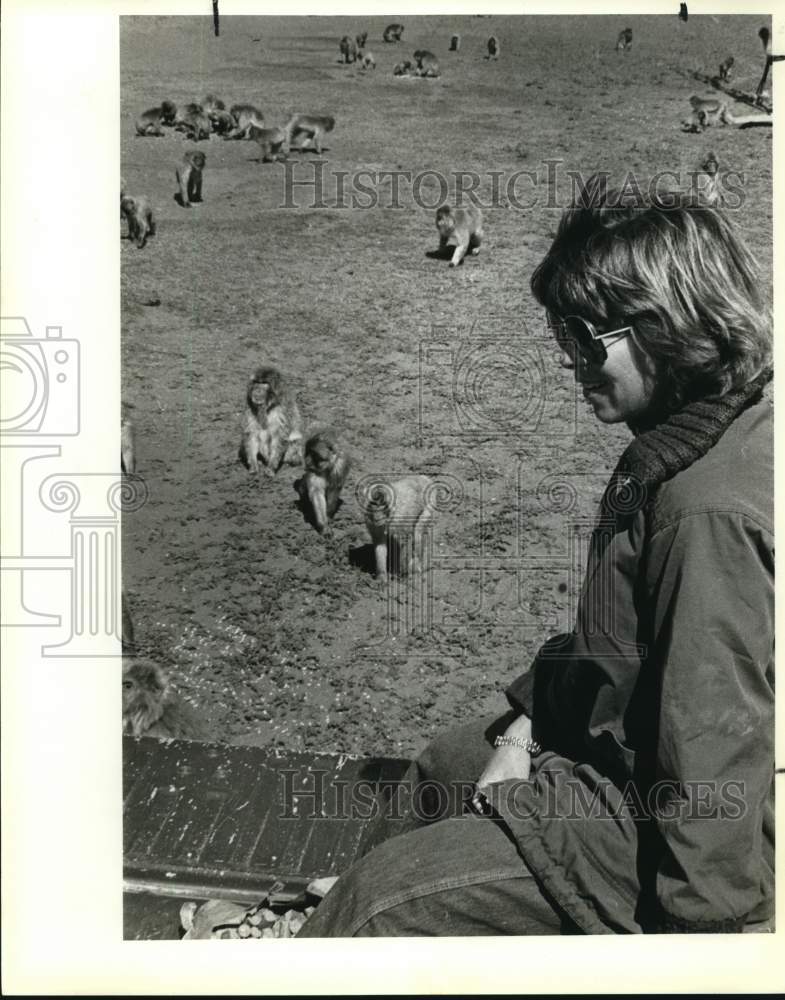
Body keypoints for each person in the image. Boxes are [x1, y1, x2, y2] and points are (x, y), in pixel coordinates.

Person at [298, 179, 774, 936]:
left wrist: (698, 952)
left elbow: (714, 754)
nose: (571, 365)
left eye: (588, 341)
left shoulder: (704, 513)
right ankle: (362, 916)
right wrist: (523, 730)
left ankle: (358, 926)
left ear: (670, 327)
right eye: (564, 341)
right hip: (622, 762)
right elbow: (609, 649)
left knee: (380, 905)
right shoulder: (676, 444)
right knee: (440, 767)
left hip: (673, 831)